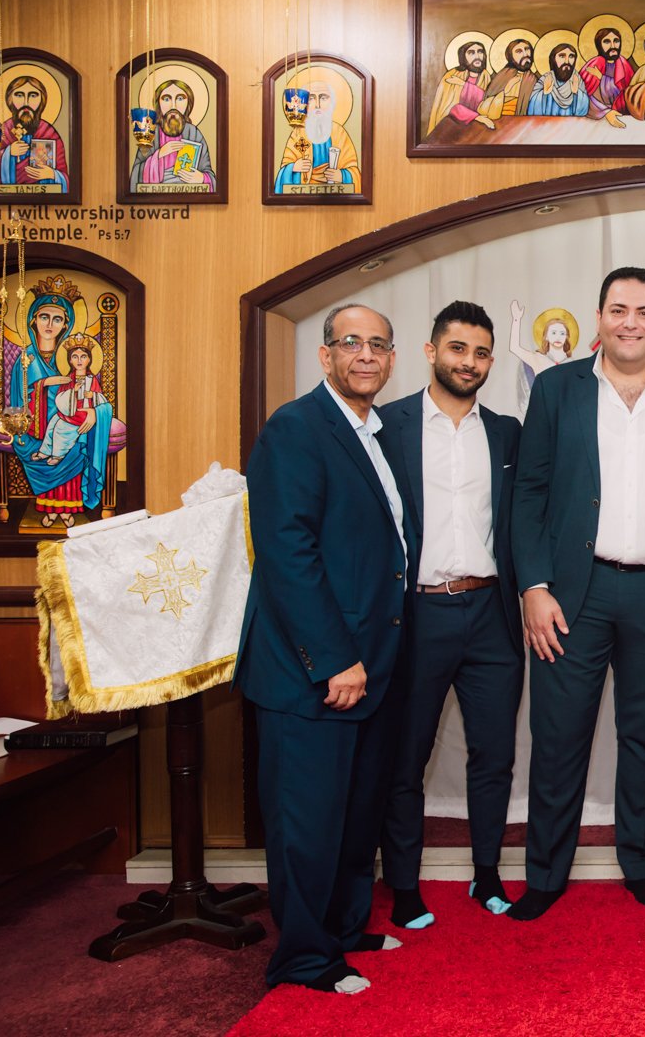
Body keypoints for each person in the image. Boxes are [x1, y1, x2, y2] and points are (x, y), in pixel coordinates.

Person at [509, 267, 645, 921]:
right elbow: (529, 493)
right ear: (599, 317)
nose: (631, 321)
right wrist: (533, 585)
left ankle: (642, 863)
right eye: (618, 309)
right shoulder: (556, 388)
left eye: (644, 310)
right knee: (557, 738)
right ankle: (544, 875)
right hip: (575, 591)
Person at [234, 303, 407, 995]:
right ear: (325, 355)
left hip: (371, 665)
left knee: (352, 812)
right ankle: (304, 957)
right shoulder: (296, 428)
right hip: (315, 670)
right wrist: (333, 656)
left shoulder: (372, 432)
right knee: (307, 823)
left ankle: (342, 928)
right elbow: (287, 551)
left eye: (378, 345)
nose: (366, 355)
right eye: (351, 343)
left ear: (393, 359)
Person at [376, 301, 524, 931]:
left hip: (493, 613)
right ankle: (404, 886)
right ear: (432, 351)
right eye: (458, 349)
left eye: (482, 352)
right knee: (405, 757)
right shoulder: (387, 427)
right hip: (416, 614)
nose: (470, 362)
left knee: (493, 755)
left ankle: (486, 875)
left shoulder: (508, 432)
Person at [6, 278, 114, 528]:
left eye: (57, 319)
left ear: (66, 323)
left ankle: (69, 510)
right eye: (44, 317)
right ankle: (48, 508)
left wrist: (93, 414)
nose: (49, 324)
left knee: (75, 445)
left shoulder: (73, 357)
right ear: (33, 319)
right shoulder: (26, 360)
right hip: (34, 427)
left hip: (74, 424)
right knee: (40, 447)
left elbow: (97, 398)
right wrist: (45, 383)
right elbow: (17, 401)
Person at [0, 73, 70, 193]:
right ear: (10, 100)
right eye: (19, 95)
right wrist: (7, 154)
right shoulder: (0, 132)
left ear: (42, 101)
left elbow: (66, 179)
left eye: (33, 95)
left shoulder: (50, 133)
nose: (26, 102)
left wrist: (53, 174)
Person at [129, 78, 217, 191]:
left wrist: (201, 178)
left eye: (180, 98)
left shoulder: (194, 133)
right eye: (166, 99)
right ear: (158, 104)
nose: (173, 105)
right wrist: (159, 154)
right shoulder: (151, 133)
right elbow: (136, 173)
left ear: (188, 104)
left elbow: (209, 175)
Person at [274, 79, 361, 193]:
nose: (318, 105)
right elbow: (284, 170)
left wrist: (342, 175)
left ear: (332, 103)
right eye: (311, 98)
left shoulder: (339, 133)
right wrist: (294, 167)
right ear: (303, 104)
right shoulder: (298, 133)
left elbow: (354, 170)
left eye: (323, 98)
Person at [31, 336, 104, 467]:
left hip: (83, 414)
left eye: (83, 356)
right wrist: (73, 392)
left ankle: (58, 454)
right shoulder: (69, 379)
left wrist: (92, 394)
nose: (79, 360)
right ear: (70, 360)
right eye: (75, 357)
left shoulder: (92, 379)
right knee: (53, 422)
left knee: (61, 427)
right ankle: (45, 451)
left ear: (89, 360)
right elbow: (60, 397)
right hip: (68, 411)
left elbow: (100, 399)